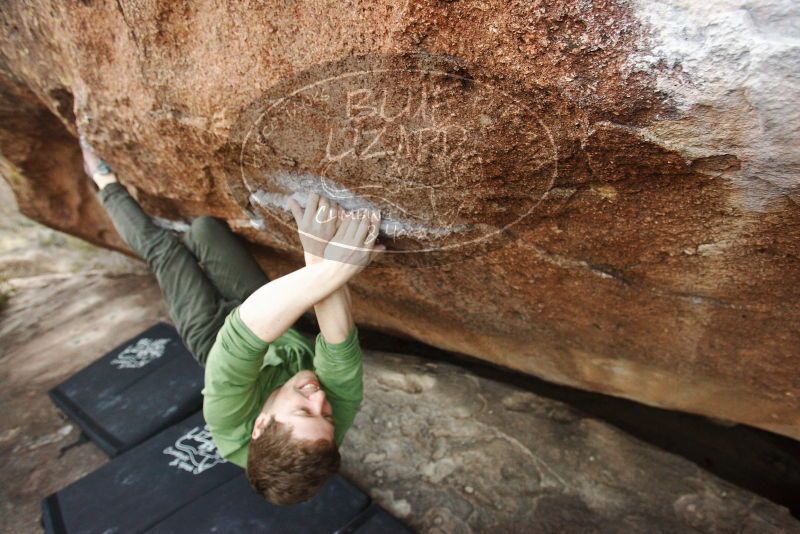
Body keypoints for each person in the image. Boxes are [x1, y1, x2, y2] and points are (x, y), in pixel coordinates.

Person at [79, 136, 384, 505]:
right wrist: (320, 258)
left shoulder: (227, 419)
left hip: (213, 338)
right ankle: (192, 233)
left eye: (304, 409)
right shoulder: (324, 434)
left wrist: (329, 264)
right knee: (206, 229)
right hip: (279, 332)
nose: (320, 398)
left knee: (166, 253)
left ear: (260, 424)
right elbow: (339, 348)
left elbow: (241, 335)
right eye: (327, 416)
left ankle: (104, 181)